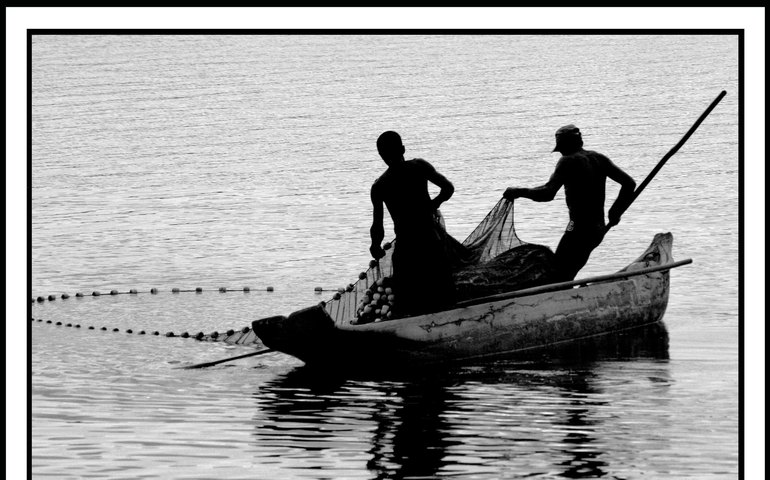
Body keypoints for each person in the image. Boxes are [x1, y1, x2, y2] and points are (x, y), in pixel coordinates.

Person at [503, 124, 636, 281]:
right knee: (567, 273)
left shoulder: (568, 161)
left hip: (578, 230)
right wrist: (615, 212)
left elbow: (547, 193)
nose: (561, 152)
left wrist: (519, 192)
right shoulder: (598, 158)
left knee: (557, 273)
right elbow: (629, 184)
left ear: (565, 145)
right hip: (597, 229)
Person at [369, 131, 457, 316]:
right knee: (442, 292)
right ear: (402, 149)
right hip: (430, 240)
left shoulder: (380, 186)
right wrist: (434, 204)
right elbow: (448, 188)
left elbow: (378, 225)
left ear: (381, 156)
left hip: (406, 247)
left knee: (407, 299)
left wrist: (375, 245)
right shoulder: (419, 167)